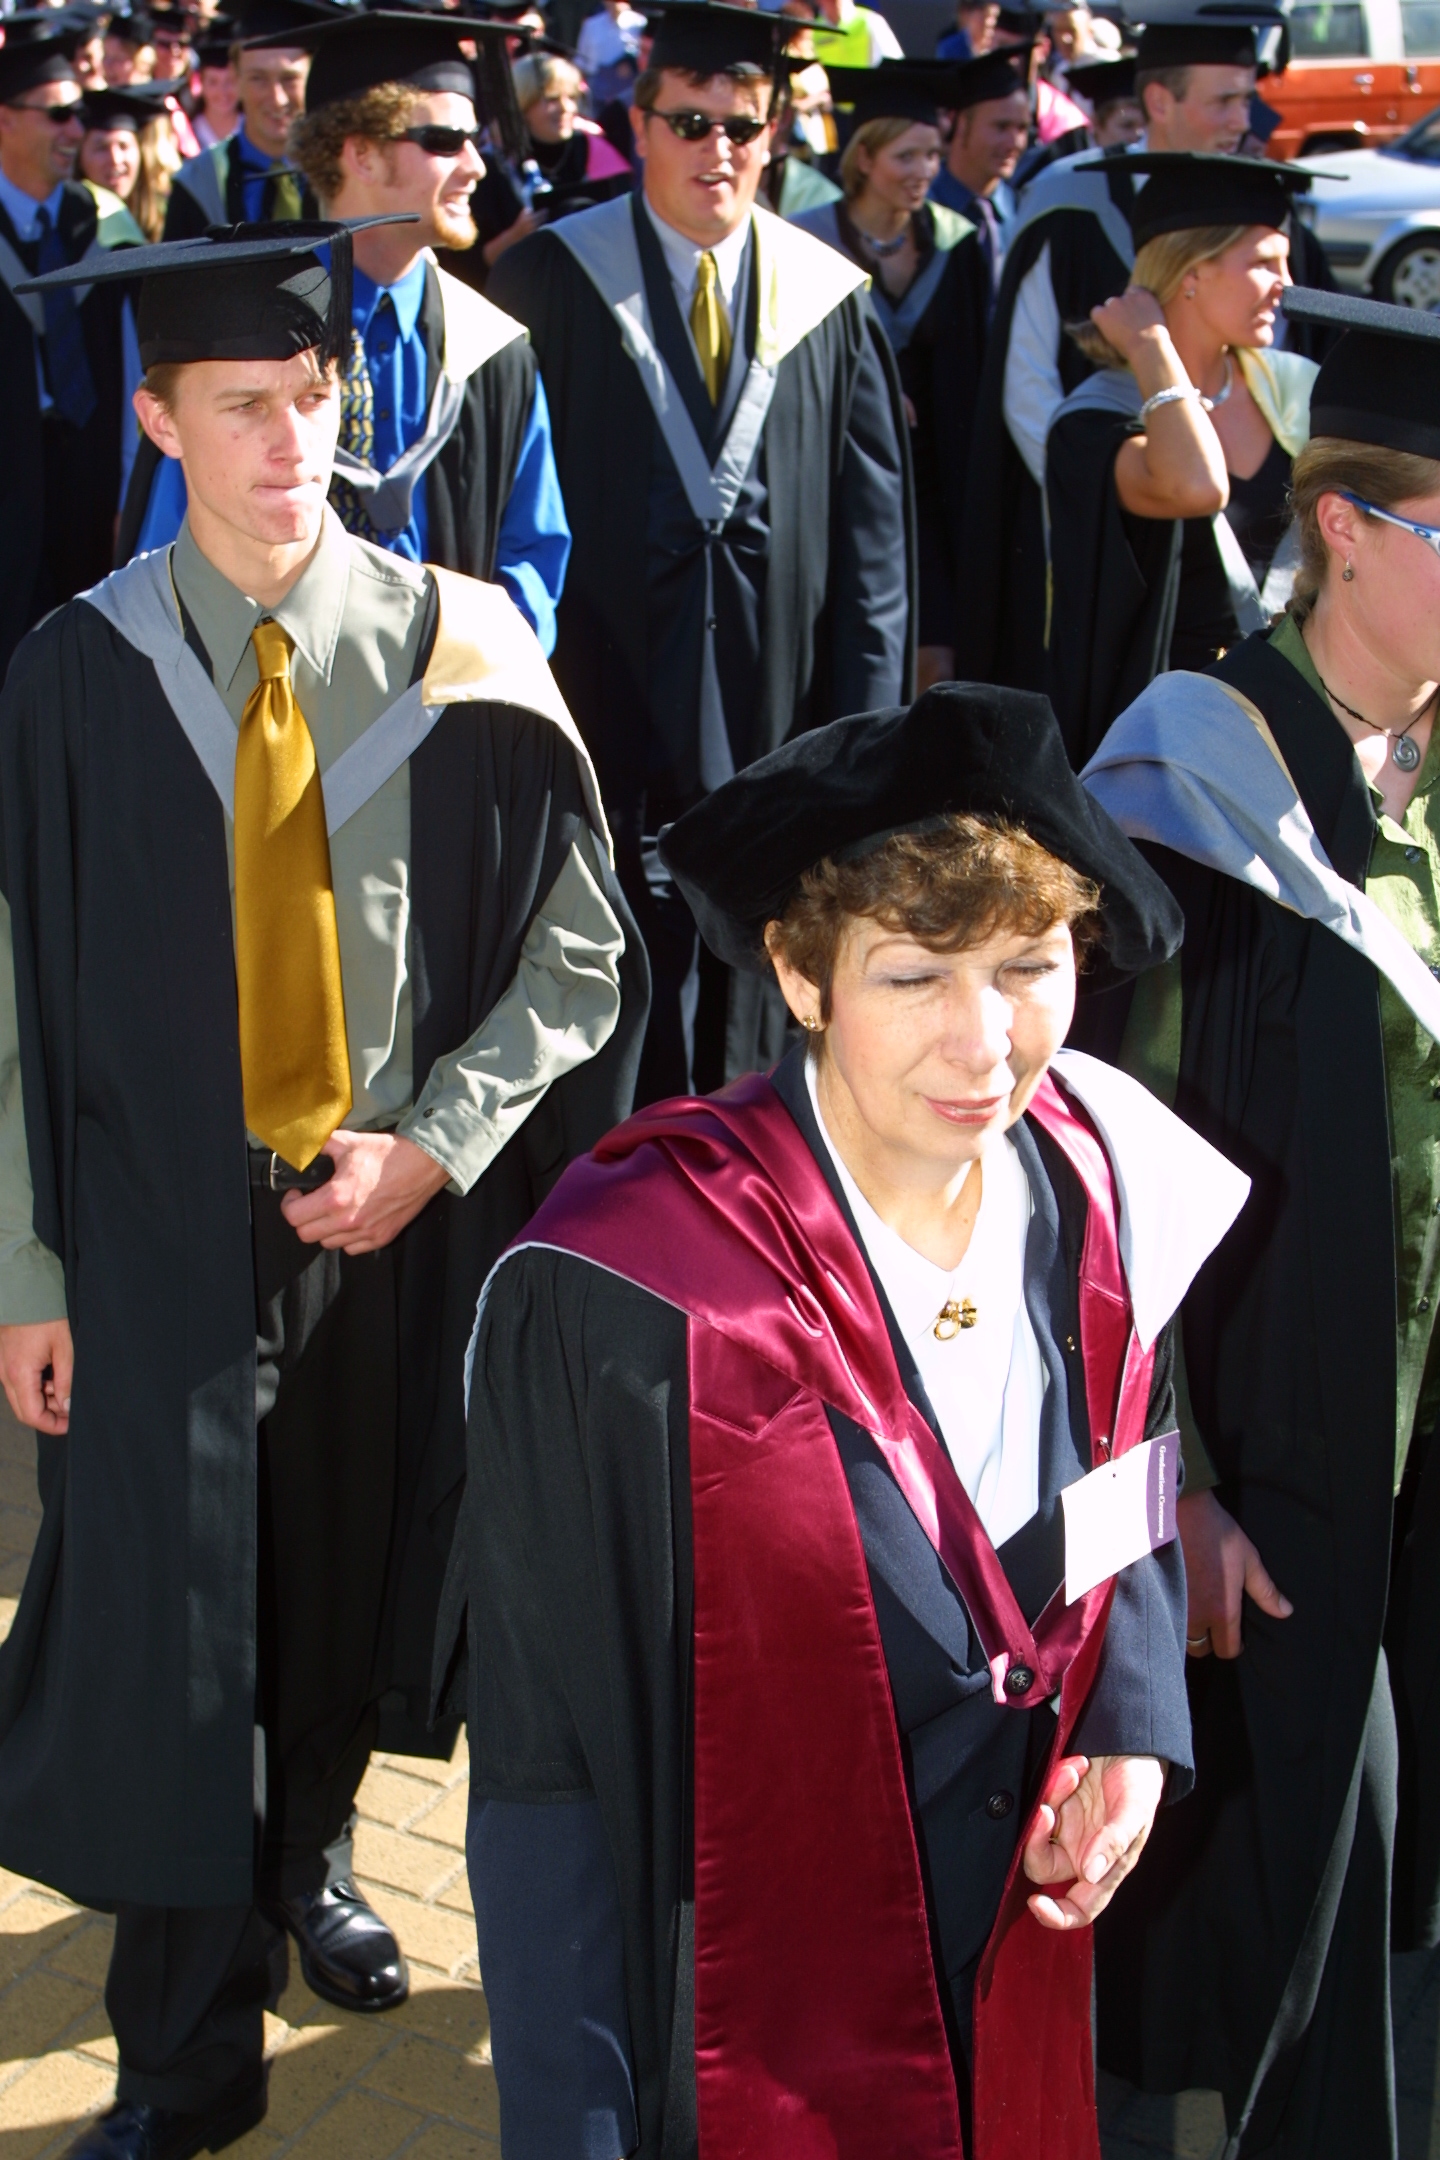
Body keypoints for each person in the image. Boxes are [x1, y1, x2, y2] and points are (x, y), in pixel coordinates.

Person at [0, 217, 645, 2158]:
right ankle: (180, 2054)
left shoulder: (460, 649)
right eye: (243, 408)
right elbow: (12, 989)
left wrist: (437, 1142)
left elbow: (583, 949)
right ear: (156, 417)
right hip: (141, 1238)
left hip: (376, 1228)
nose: (293, 442)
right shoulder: (73, 671)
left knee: (344, 1580)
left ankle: (325, 1862)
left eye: (312, 398)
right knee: (174, 1640)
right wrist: (28, 1264)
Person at [453, 681, 1257, 2159]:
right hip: (746, 1997)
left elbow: (1135, 1479)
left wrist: (1136, 1720)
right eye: (915, 978)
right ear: (802, 975)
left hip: (1018, 1945)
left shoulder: (1101, 1182)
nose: (987, 1045)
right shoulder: (629, 1290)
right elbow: (544, 1758)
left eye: (1029, 966)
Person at [1078, 280, 1440, 2160]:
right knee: (1251, 1899)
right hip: (1265, 1469)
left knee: (1389, 1886)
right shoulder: (1185, 784)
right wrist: (1171, 1490)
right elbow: (1087, 1177)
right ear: (1342, 528)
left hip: (1415, 1447)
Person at [487, 0, 913, 1102]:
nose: (715, 149)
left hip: (782, 731)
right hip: (605, 719)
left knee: (768, 1019)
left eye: (743, 124)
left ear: (775, 133)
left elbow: (875, 556)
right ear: (638, 123)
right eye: (689, 120)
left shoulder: (831, 301)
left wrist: (865, 753)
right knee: (621, 1009)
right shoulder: (553, 283)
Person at [123, 9, 573, 664]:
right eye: (445, 140)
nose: (477, 165)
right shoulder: (234, 337)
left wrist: (478, 675)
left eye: (475, 139)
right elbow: (169, 560)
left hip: (453, 713)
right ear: (359, 150)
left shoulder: (492, 350)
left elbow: (534, 552)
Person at [955, 5, 1272, 693]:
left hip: (1244, 555)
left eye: (1245, 97)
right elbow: (1027, 384)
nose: (1241, 119)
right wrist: (1090, 491)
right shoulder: (1070, 207)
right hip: (1112, 531)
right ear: (1159, 98)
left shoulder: (1261, 213)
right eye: (1224, 99)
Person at [1045, 154, 1316, 765]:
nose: (1287, 282)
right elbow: (1196, 486)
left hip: (1300, 721)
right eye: (1264, 263)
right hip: (1170, 740)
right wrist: (1149, 344)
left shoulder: (1294, 391)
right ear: (1191, 272)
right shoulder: (1096, 420)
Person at [794, 60, 993, 689]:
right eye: (906, 156)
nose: (924, 172)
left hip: (936, 481)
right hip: (841, 473)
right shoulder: (807, 243)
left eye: (933, 155)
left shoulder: (957, 244)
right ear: (864, 159)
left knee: (935, 655)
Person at [0, 26, 142, 682]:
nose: (73, 130)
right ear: (5, 118)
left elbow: (139, 368)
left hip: (89, 486)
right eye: (58, 113)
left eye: (78, 113)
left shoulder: (106, 226)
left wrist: (130, 488)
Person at [163, 0, 325, 236]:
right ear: (236, 78)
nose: (277, 98)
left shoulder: (346, 175)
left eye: (289, 78)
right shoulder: (198, 183)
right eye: (258, 78)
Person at [473, 46, 633, 271]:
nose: (567, 108)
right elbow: (470, 264)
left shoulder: (593, 149)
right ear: (524, 103)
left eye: (571, 97)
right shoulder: (493, 166)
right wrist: (515, 236)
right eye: (552, 99)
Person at [929, 41, 1028, 309]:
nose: (1014, 142)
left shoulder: (1027, 212)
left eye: (1022, 128)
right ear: (959, 123)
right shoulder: (922, 215)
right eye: (1001, 126)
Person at [79, 78, 181, 238]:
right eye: (101, 148)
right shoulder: (73, 229)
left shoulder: (168, 216)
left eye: (123, 146)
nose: (115, 159)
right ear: (80, 157)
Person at [576, 0, 647, 106]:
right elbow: (581, 62)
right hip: (597, 90)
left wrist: (631, 65)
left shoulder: (640, 24)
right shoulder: (591, 25)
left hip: (629, 91)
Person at [191, 11, 240, 149]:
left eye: (230, 81)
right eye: (213, 82)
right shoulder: (186, 133)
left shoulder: (255, 131)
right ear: (201, 83)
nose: (222, 92)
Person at [810, 0, 903, 72]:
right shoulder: (813, 31)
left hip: (870, 93)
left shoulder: (871, 20)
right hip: (836, 95)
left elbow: (896, 69)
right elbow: (813, 81)